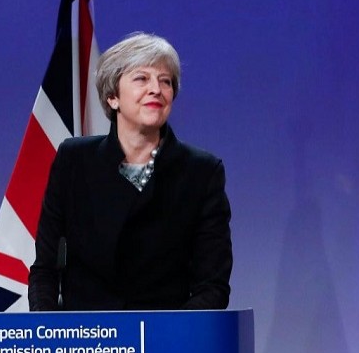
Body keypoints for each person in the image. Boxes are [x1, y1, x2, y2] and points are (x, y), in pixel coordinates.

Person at [28, 32, 232, 310]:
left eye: (165, 81)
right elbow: (44, 270)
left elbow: (212, 287)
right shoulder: (73, 161)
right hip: (87, 341)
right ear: (113, 97)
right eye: (142, 78)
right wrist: (50, 337)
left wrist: (169, 342)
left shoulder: (201, 172)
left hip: (164, 342)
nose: (156, 89)